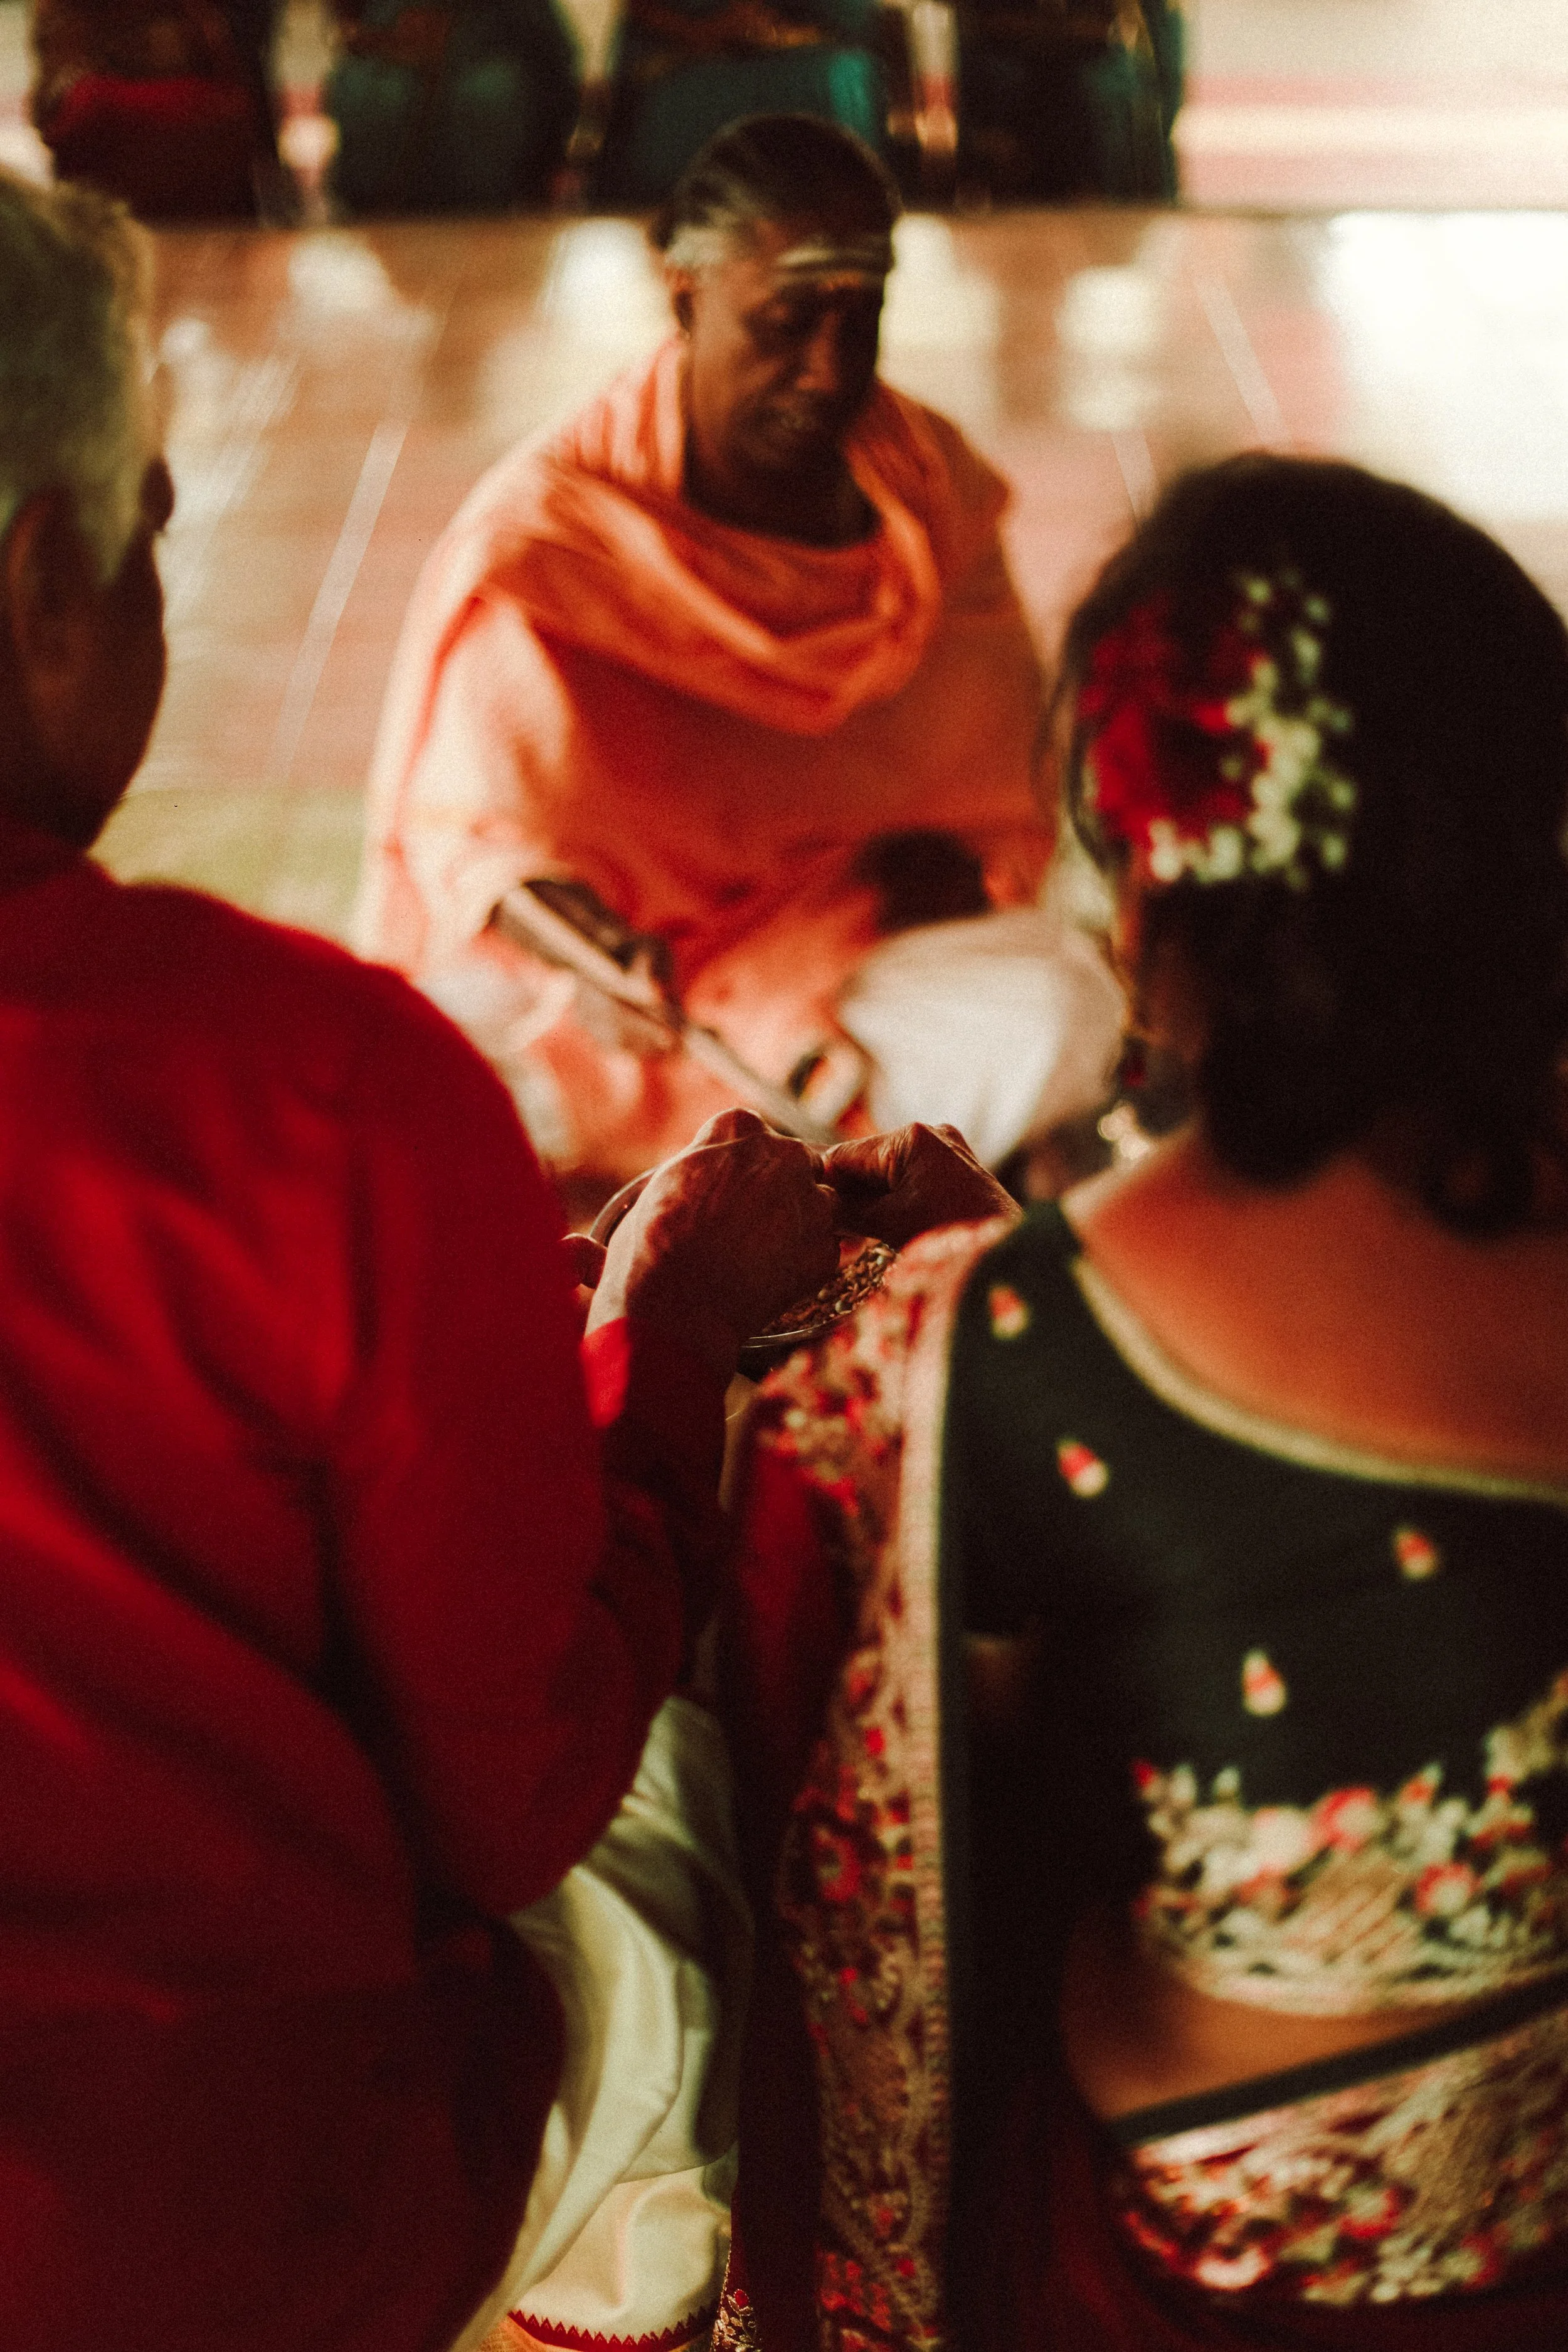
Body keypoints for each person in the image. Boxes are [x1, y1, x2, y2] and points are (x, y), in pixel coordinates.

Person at [0, 166, 851, 2352]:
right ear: (38, 593)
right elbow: (516, 1789)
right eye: (150, 524)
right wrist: (660, 1352)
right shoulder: (318, 1095)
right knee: (694, 1836)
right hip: (232, 2229)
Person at [719, 453, 1568, 2352]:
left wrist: (849, 1323)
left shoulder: (1009, 1351)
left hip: (1214, 2267)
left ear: (1148, 884)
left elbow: (850, 1777)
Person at [352, 113, 1123, 1187]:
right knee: (422, 1055)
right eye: (784, 322)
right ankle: (811, 1154)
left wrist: (919, 875)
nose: (826, 370)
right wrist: (592, 949)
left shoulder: (926, 486)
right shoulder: (558, 531)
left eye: (861, 320)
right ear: (685, 296)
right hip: (606, 995)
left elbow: (991, 797)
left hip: (835, 962)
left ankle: (739, 1156)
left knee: (1064, 1004)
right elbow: (475, 835)